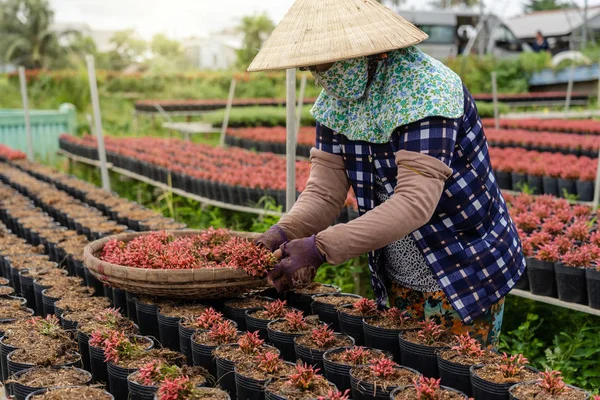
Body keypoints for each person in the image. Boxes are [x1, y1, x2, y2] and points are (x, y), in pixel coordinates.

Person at [249, 0, 525, 347]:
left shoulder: (428, 92)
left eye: (324, 63)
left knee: (455, 377)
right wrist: (283, 232)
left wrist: (320, 247)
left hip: (461, 268)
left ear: (364, 51)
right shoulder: (337, 102)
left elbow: (413, 203)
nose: (319, 75)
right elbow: (324, 192)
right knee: (405, 373)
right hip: (396, 265)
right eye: (310, 67)